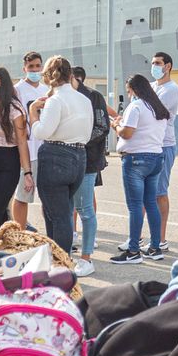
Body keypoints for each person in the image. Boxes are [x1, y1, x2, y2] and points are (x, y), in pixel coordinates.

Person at [28, 55, 92, 257]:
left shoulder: (56, 100)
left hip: (56, 156)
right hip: (79, 155)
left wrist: (33, 114)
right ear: (70, 74)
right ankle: (57, 256)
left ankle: (61, 259)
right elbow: (88, 133)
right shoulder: (84, 99)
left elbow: (42, 132)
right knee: (63, 209)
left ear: (48, 76)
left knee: (58, 214)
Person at [111, 73, 170, 264]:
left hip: (136, 158)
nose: (128, 95)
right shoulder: (158, 108)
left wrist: (116, 125)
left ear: (134, 90)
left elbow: (127, 133)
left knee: (135, 206)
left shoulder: (136, 106)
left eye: (129, 91)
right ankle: (155, 247)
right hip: (155, 157)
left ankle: (133, 251)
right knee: (151, 203)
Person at [70, 66, 111, 276]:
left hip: (88, 159)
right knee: (66, 209)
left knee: (85, 208)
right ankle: (65, 253)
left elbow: (103, 126)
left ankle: (86, 257)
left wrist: (79, 140)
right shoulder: (61, 97)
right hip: (65, 160)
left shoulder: (94, 96)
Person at [0, 66, 30, 230]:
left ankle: (4, 246)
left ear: (4, 84)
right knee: (0, 215)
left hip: (8, 162)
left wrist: (27, 172)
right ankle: (5, 250)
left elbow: (22, 142)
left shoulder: (15, 109)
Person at [11, 51, 49, 227]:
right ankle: (20, 232)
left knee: (48, 197)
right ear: (24, 68)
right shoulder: (17, 90)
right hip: (27, 149)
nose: (34, 69)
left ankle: (51, 233)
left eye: (37, 66)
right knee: (23, 195)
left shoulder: (47, 90)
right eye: (31, 66)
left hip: (45, 149)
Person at [151, 52, 178, 250]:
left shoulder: (172, 89)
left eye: (158, 63)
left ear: (168, 66)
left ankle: (161, 239)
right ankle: (138, 237)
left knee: (159, 193)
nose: (154, 66)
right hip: (149, 144)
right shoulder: (152, 87)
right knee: (146, 194)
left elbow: (153, 111)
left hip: (164, 145)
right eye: (153, 63)